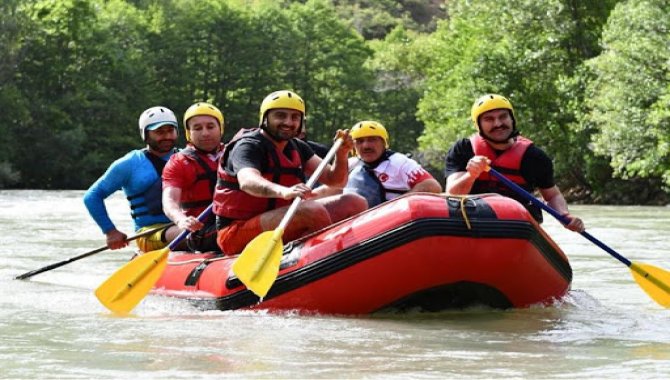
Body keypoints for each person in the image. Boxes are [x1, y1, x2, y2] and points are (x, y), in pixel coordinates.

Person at [213, 90, 368, 255]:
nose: (288, 122)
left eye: (295, 117)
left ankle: (352, 255)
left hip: (281, 220)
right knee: (312, 211)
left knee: (354, 202)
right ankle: (328, 258)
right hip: (236, 232)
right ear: (265, 118)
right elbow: (248, 181)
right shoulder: (248, 146)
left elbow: (335, 181)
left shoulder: (297, 146)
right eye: (280, 116)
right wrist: (284, 191)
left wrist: (342, 154)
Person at [444, 93, 584, 232]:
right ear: (478, 125)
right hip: (471, 223)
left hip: (515, 227)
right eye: (489, 119)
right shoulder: (464, 149)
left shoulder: (534, 157)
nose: (498, 124)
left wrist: (565, 216)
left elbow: (552, 195)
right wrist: (471, 175)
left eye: (503, 117)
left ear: (512, 119)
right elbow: (452, 194)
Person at [83, 106, 182, 252]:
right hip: (149, 233)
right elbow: (92, 196)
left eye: (170, 130)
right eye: (159, 132)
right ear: (145, 135)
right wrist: (110, 231)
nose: (167, 136)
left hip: (186, 224)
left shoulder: (187, 157)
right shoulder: (129, 164)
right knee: (191, 234)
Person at [162, 102, 225, 252]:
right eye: (197, 128)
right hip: (202, 230)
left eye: (210, 127)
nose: (205, 133)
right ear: (189, 133)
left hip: (234, 222)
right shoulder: (179, 162)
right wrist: (181, 219)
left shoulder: (235, 153)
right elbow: (169, 201)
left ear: (220, 129)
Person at [343, 120, 442, 207]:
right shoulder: (350, 164)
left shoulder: (400, 163)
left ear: (384, 143)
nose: (366, 146)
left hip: (392, 221)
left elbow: (432, 186)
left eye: (372, 140)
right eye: (360, 141)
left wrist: (392, 207)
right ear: (353, 146)